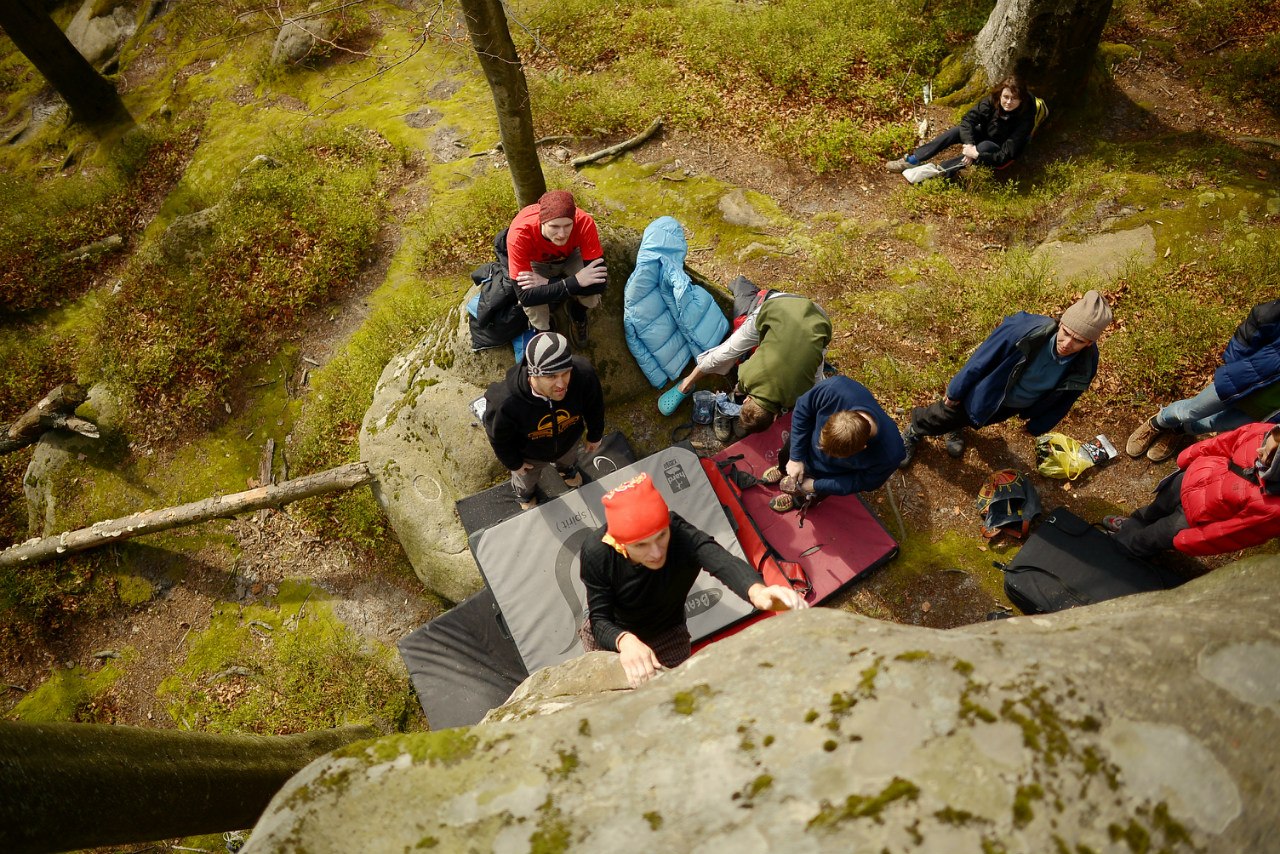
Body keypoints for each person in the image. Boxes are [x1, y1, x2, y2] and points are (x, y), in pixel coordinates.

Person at [579, 472, 807, 687]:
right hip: (615, 632)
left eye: (661, 537)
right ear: (619, 543)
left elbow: (718, 558)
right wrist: (625, 641)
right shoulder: (598, 552)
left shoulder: (678, 533)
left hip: (667, 631)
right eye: (641, 545)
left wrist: (757, 591)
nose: (657, 553)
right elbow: (599, 617)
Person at [900, 290, 1113, 466]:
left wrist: (1039, 425)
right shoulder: (1023, 331)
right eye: (1066, 332)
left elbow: (1068, 397)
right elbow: (981, 359)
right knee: (946, 414)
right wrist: (955, 391)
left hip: (1014, 404)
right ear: (1060, 323)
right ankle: (915, 429)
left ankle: (955, 427)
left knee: (980, 418)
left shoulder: (1087, 362)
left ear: (1089, 343)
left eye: (1078, 340)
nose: (1067, 344)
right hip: (990, 389)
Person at [660, 277, 832, 435]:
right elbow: (741, 384)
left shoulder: (797, 395)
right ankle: (686, 384)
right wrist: (739, 389)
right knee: (725, 353)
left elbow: (743, 385)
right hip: (798, 314)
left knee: (817, 387)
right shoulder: (749, 377)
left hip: (807, 317)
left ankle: (723, 401)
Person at [1125, 299, 1280, 462]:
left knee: (1212, 424)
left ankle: (1177, 431)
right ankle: (1157, 423)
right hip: (1242, 380)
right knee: (1190, 410)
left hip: (1268, 413)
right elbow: (1260, 320)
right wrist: (1236, 364)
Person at [1104, 422, 1280, 558]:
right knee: (1152, 510)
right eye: (1265, 442)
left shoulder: (1273, 509)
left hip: (1195, 516)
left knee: (1153, 536)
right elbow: (1222, 443)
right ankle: (1130, 526)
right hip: (1193, 477)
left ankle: (1123, 546)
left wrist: (1187, 541)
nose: (1259, 449)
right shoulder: (1265, 432)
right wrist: (1189, 457)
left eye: (1266, 453)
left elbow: (1232, 533)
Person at [482, 332, 604, 510]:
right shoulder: (505, 402)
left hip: (569, 440)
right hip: (530, 455)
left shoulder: (583, 375)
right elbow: (498, 437)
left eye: (565, 373)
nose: (561, 384)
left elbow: (595, 405)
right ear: (533, 375)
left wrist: (595, 434)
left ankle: (565, 469)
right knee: (526, 480)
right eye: (552, 377)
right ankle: (525, 493)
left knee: (568, 459)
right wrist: (513, 463)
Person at [761, 376, 906, 512]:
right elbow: (802, 409)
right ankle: (782, 470)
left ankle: (796, 500)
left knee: (806, 496)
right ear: (835, 416)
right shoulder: (836, 390)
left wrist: (815, 486)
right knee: (785, 458)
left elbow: (861, 482)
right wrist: (795, 457)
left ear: (862, 448)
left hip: (827, 475)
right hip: (802, 446)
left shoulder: (890, 454)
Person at [494, 190, 608, 344]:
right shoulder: (519, 234)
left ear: (574, 220)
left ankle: (577, 312)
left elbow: (600, 284)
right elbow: (525, 297)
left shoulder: (584, 222)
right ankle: (545, 329)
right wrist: (577, 281)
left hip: (571, 255)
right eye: (554, 226)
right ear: (541, 222)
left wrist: (548, 283)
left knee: (592, 296)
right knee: (534, 306)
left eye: (568, 225)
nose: (562, 234)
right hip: (537, 262)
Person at [886, 76, 1037, 176]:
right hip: (985, 133)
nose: (1009, 102)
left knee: (983, 146)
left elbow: (1005, 156)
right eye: (1006, 97)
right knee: (958, 131)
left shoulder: (1026, 118)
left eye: (1014, 99)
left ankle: (940, 172)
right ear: (1000, 95)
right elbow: (968, 120)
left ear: (1022, 100)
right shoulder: (992, 101)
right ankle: (913, 159)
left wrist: (975, 154)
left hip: (998, 147)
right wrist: (969, 144)